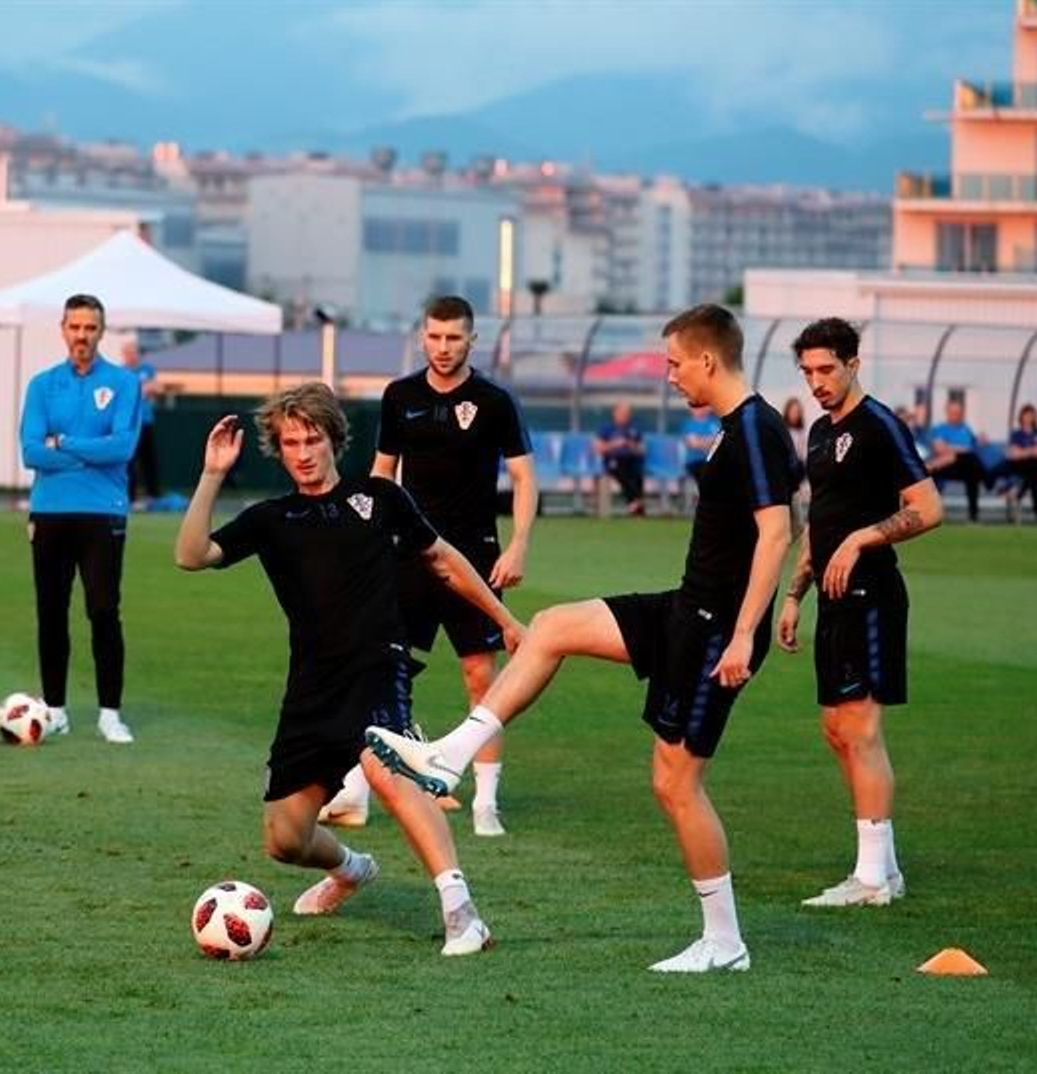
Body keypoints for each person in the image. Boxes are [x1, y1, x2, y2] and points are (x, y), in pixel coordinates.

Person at [367, 304, 799, 973]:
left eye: (675, 364)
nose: (670, 376)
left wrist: (744, 634)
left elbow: (777, 533)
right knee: (550, 626)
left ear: (708, 360)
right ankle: (451, 754)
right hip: (686, 610)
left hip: (716, 632)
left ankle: (724, 942)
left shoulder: (755, 429)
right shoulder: (731, 429)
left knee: (675, 785)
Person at [174, 383, 524, 955]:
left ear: (334, 439)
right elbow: (191, 556)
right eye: (291, 443)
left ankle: (462, 913)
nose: (303, 453)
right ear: (279, 450)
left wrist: (504, 619)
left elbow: (443, 560)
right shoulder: (271, 519)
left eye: (312, 439)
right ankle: (353, 869)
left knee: (388, 768)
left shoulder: (380, 498)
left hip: (377, 668)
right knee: (285, 839)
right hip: (311, 689)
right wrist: (213, 474)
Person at [319, 295, 536, 838]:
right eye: (435, 337)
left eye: (454, 337)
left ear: (472, 340)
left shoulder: (494, 401)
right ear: (422, 338)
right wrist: (368, 534)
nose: (443, 347)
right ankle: (361, 788)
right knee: (386, 670)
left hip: (476, 556)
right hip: (408, 553)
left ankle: (486, 802)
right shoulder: (400, 396)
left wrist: (518, 545)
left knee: (480, 675)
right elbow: (382, 471)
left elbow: (524, 478)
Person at [776, 317, 942, 910]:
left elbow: (928, 507)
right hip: (832, 600)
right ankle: (884, 868)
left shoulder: (880, 426)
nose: (817, 382)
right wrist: (794, 593)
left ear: (853, 365)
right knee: (835, 730)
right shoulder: (820, 433)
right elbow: (820, 519)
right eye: (807, 372)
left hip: (872, 595)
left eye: (826, 369)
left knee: (861, 729)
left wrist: (862, 539)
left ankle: (871, 879)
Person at [20, 294, 142, 743]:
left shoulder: (124, 383)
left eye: (90, 328)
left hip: (102, 512)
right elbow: (31, 452)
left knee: (104, 610)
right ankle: (55, 709)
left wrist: (65, 443)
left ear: (101, 332)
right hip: (50, 511)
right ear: (63, 329)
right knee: (51, 612)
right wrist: (90, 453)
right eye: (75, 327)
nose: (82, 336)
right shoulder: (42, 385)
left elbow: (122, 448)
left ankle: (110, 713)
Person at [927, 399, 986, 521]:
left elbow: (971, 449)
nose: (956, 415)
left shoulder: (966, 429)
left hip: (964, 467)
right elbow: (939, 449)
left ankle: (973, 516)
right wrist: (961, 450)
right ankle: (988, 478)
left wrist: (953, 451)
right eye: (953, 412)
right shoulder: (940, 429)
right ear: (947, 412)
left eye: (958, 413)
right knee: (969, 462)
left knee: (972, 472)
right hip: (946, 467)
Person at [123, 340, 164, 507]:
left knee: (149, 460)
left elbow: (157, 389)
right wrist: (142, 389)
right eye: (128, 353)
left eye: (133, 352)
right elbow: (125, 393)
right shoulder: (121, 372)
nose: (131, 356)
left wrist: (145, 389)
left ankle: (153, 496)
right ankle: (131, 497)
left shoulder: (147, 370)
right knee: (130, 461)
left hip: (146, 422)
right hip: (130, 425)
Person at [994, 403, 1037, 524]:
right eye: (1026, 415)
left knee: (1036, 469)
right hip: (1025, 467)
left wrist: (1024, 451)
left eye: (1031, 415)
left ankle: (1020, 493)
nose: (1029, 418)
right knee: (1034, 475)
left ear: (1035, 417)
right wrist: (1033, 451)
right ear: (1021, 417)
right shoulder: (1016, 434)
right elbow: (1014, 454)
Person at [595, 402, 646, 515]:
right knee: (622, 472)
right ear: (615, 414)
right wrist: (615, 444)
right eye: (622, 414)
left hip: (631, 460)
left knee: (637, 474)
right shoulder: (606, 428)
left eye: (627, 414)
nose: (625, 416)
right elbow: (598, 448)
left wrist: (630, 445)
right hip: (613, 460)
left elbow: (642, 450)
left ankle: (634, 504)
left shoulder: (634, 429)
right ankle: (636, 502)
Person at [679, 405, 721, 484]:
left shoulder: (714, 423)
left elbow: (718, 441)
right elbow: (692, 443)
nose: (698, 410)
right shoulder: (688, 424)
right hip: (694, 461)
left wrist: (700, 441)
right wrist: (707, 442)